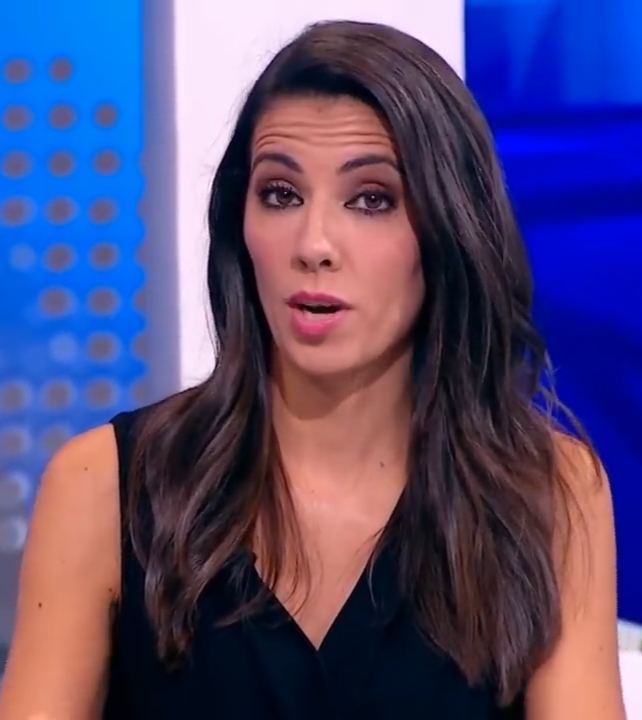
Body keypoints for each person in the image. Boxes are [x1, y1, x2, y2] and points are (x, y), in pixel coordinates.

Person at [0, 20, 625, 720]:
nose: (314, 243)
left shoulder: (547, 496)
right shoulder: (103, 487)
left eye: (371, 199)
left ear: (448, 228)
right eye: (281, 194)